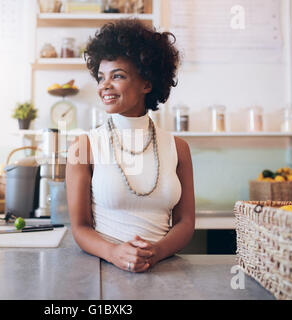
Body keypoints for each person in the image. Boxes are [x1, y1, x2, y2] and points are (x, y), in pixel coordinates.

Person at [66, 19, 195, 273]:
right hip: (104, 272)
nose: (105, 86)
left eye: (118, 76)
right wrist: (114, 253)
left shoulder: (178, 148)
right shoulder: (85, 146)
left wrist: (156, 252)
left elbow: (185, 222)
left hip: (164, 272)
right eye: (101, 77)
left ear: (147, 84)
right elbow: (80, 228)